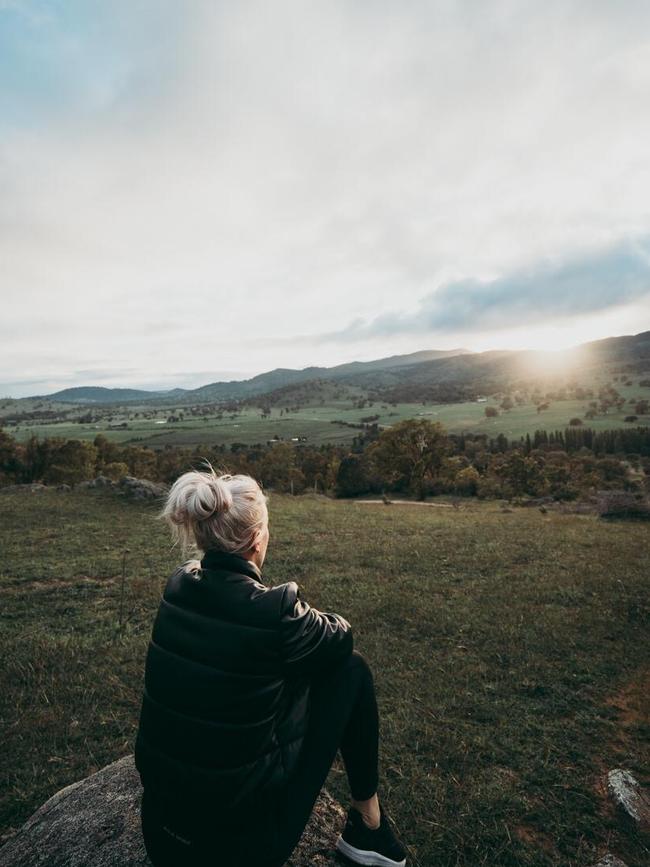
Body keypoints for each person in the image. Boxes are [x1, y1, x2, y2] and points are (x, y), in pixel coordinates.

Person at [134, 468, 408, 867]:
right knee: (351, 670)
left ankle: (368, 829)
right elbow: (340, 637)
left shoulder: (178, 587)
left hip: (162, 837)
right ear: (257, 539)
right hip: (240, 851)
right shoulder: (275, 612)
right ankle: (369, 826)